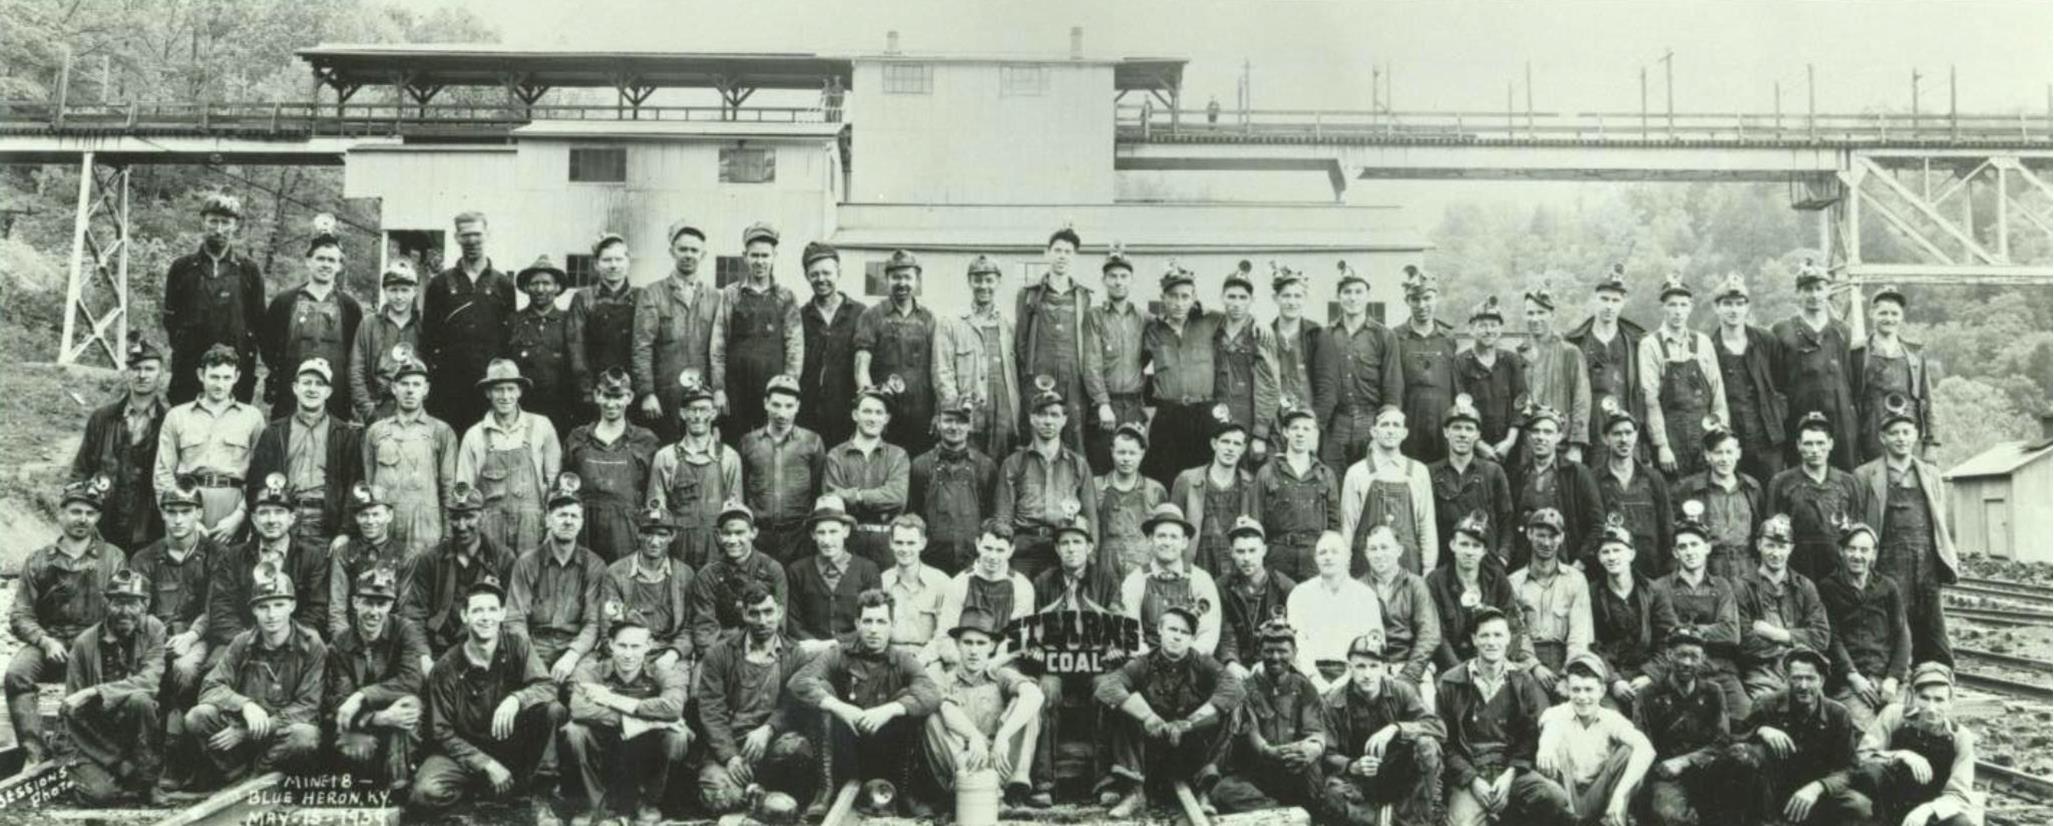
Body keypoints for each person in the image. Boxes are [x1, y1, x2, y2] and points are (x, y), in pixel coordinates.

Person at [409, 575, 564, 814]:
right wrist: (485, 764)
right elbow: (441, 732)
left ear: (502, 614)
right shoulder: (446, 667)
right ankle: (474, 805)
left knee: (553, 710)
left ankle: (540, 798)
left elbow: (547, 686)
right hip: (463, 754)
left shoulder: (517, 645)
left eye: (492, 609)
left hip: (512, 747)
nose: (486, 617)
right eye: (478, 610)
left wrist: (516, 699)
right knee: (425, 793)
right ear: (465, 616)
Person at [789, 589, 945, 818]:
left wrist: (890, 710)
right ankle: (825, 790)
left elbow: (931, 693)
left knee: (909, 697)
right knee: (823, 694)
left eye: (881, 621)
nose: (874, 629)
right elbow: (798, 682)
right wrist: (840, 707)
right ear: (857, 623)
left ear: (892, 625)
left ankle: (904, 790)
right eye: (868, 621)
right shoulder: (839, 653)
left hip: (886, 752)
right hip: (845, 750)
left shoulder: (902, 659)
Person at [10, 478, 129, 764]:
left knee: (106, 691)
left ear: (98, 517)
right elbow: (20, 614)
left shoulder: (112, 557)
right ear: (61, 514)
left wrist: (96, 641)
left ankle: (88, 754)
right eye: (75, 511)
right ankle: (35, 753)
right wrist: (44, 640)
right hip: (52, 641)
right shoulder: (39, 560)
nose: (82, 519)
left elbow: (124, 610)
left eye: (90, 513)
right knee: (16, 675)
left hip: (96, 642)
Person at [1094, 606, 1245, 818]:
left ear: (1192, 638)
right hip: (1150, 751)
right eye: (1173, 629)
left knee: (1231, 709)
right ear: (1160, 630)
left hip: (1190, 749)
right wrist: (1148, 717)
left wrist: (1190, 723)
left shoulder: (1203, 663)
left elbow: (1234, 688)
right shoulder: (1143, 663)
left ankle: (1205, 789)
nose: (1177, 637)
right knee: (1116, 705)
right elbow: (1108, 687)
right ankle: (1134, 792)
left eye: (1185, 633)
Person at [184, 567, 326, 785]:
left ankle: (259, 775)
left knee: (305, 737)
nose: (271, 615)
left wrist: (248, 731)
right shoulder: (242, 642)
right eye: (263, 606)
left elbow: (308, 706)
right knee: (199, 717)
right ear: (253, 610)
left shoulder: (311, 644)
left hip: (281, 733)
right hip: (246, 730)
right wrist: (245, 705)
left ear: (292, 606)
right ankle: (235, 774)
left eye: (279, 605)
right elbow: (210, 686)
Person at [1438, 606, 1574, 826]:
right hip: (1470, 773)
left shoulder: (1522, 680)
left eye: (1498, 635)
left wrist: (1510, 775)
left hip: (1509, 771)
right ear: (1474, 639)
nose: (1491, 642)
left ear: (1508, 639)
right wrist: (1472, 780)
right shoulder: (1451, 682)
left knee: (1553, 797)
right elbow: (1446, 743)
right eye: (1484, 635)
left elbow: (1529, 737)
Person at [692, 582, 819, 815]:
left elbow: (793, 705)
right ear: (744, 614)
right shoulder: (719, 654)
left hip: (773, 745)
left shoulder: (796, 655)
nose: (762, 621)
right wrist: (730, 757)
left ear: (780, 612)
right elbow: (711, 711)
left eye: (769, 612)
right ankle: (760, 799)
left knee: (799, 750)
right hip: (728, 747)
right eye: (754, 613)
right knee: (717, 797)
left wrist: (769, 728)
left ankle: (766, 798)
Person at [1854, 396, 1958, 668]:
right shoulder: (1865, 475)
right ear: (1883, 438)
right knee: (1892, 626)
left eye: (1906, 432)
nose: (1901, 438)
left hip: (1925, 559)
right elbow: (1860, 522)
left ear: (1916, 436)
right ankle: (1892, 685)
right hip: (1888, 559)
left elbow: (1939, 520)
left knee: (1933, 628)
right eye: (1894, 433)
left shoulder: (1930, 473)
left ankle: (1936, 686)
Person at [559, 618, 692, 826]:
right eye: (622, 646)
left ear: (648, 646)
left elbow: (674, 707)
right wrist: (646, 722)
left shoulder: (663, 673)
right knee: (574, 731)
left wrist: (612, 700)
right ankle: (593, 805)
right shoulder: (591, 671)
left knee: (678, 736)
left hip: (644, 749)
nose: (628, 654)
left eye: (636, 646)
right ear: (611, 645)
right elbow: (578, 708)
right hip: (604, 744)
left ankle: (648, 802)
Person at [127, 479, 220, 769]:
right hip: (154, 636)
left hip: (199, 637)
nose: (178, 519)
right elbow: (137, 608)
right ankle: (139, 754)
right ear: (163, 513)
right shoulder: (144, 558)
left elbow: (216, 606)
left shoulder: (216, 555)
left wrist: (191, 636)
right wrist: (157, 640)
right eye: (171, 511)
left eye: (185, 511)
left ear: (199, 514)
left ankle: (181, 754)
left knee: (185, 668)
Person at [919, 607, 1046, 808]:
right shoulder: (943, 676)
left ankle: (1013, 788)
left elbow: (1035, 695)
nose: (974, 650)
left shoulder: (1000, 675)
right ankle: (978, 794)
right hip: (964, 765)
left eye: (981, 643)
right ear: (957, 645)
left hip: (1000, 762)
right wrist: (974, 737)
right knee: (933, 716)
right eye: (967, 643)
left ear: (992, 646)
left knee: (1025, 702)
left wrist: (1003, 736)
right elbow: (945, 709)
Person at [1730, 647, 1872, 826]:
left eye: (1810, 678)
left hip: (1814, 795)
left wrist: (1818, 787)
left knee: (1859, 806)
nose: (1803, 686)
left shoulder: (1838, 714)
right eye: (1797, 678)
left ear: (1821, 680)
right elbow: (1733, 741)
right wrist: (1760, 730)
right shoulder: (1768, 704)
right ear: (1787, 679)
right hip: (1772, 795)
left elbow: (1849, 769)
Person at [60, 569, 166, 804]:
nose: (125, 612)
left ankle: (148, 782)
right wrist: (115, 760)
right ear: (107, 604)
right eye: (118, 603)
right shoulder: (84, 644)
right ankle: (113, 773)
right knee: (100, 795)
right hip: (94, 738)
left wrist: (96, 692)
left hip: (133, 730)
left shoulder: (154, 630)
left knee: (141, 699)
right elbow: (73, 712)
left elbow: (149, 682)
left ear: (145, 605)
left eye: (133, 604)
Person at [1320, 634, 1446, 826]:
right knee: (1333, 792)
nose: (1367, 674)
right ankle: (1392, 820)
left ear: (1385, 668)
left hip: (1399, 775)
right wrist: (1352, 765)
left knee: (1427, 744)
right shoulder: (1333, 702)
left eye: (1373, 666)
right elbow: (1327, 753)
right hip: (1359, 782)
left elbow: (1437, 727)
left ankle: (1399, 817)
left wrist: (1397, 728)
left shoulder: (1401, 691)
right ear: (1349, 669)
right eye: (1360, 666)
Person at [324, 565, 429, 791]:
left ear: (390, 605)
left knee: (410, 705)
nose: (374, 611)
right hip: (362, 723)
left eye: (381, 604)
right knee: (357, 749)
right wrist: (378, 718)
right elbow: (338, 702)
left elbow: (411, 681)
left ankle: (398, 785)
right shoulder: (339, 645)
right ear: (355, 603)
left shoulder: (404, 631)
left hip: (398, 722)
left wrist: (363, 695)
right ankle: (363, 792)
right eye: (367, 603)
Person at [1210, 619, 1326, 817]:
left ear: (1295, 653)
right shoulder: (1246, 688)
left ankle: (1293, 812)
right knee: (1223, 791)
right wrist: (1270, 752)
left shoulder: (1305, 687)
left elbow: (1315, 731)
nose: (1275, 657)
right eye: (1269, 651)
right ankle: (1283, 815)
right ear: (1259, 653)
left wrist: (1312, 748)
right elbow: (1252, 736)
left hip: (1294, 767)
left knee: (1315, 777)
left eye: (1282, 651)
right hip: (1258, 772)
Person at [155, 344, 268, 541]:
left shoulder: (252, 417)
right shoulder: (177, 416)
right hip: (187, 501)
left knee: (229, 567)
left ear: (237, 377)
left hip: (232, 505)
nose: (219, 384)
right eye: (214, 377)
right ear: (201, 375)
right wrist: (178, 515)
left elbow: (259, 475)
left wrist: (239, 517)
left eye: (226, 378)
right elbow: (163, 473)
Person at [246, 358, 363, 546]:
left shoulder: (344, 434)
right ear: (295, 387)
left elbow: (353, 485)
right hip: (283, 518)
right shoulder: (275, 432)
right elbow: (257, 482)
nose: (312, 389)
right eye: (306, 382)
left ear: (328, 392)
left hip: (325, 524)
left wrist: (345, 532)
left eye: (319, 384)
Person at [1848, 662, 1982, 826]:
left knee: (1962, 823)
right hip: (1885, 807)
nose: (1931, 708)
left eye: (1939, 700)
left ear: (1950, 701)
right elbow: (1863, 758)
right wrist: (1901, 755)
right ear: (1912, 696)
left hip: (1926, 815)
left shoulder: (1960, 737)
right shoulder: (1894, 715)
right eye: (1924, 698)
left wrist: (1927, 810)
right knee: (1868, 780)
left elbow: (1959, 795)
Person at [505, 477, 608, 689]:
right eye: (561, 515)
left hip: (577, 649)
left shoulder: (595, 565)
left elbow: (593, 623)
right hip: (535, 646)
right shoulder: (527, 562)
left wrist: (571, 656)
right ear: (548, 520)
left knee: (582, 693)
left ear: (581, 523)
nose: (568, 521)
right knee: (534, 696)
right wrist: (531, 661)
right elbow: (514, 620)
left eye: (573, 516)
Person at [1653, 503, 1752, 719]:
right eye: (1683, 547)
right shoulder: (1661, 587)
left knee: (1744, 718)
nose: (1689, 552)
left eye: (1695, 545)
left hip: (1720, 671)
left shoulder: (1722, 586)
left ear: (1707, 548)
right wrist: (1706, 631)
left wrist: (1686, 631)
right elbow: (1667, 634)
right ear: (1675, 553)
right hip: (1678, 672)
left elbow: (1731, 633)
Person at [1634, 630, 1743, 826]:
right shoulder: (1648, 694)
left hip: (1706, 768)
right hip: (1666, 775)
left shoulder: (1713, 692)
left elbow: (1722, 740)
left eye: (1694, 657)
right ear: (1669, 656)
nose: (1686, 662)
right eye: (1681, 655)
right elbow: (1642, 743)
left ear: (1703, 659)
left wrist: (1686, 761)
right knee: (1669, 816)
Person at [1532, 653, 1656, 826]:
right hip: (1565, 799)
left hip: (1600, 798)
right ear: (1568, 690)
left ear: (1602, 691)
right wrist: (1546, 748)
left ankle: (1614, 819)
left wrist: (1619, 795)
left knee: (1629, 751)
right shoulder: (1556, 713)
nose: (1582, 697)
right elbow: (1550, 731)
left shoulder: (1611, 718)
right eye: (1576, 689)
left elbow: (1646, 748)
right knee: (1555, 748)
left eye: (1589, 689)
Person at [163, 192, 263, 405]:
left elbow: (259, 322)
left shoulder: (249, 270)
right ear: (203, 222)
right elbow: (170, 319)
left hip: (234, 371)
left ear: (235, 225)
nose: (219, 229)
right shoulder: (182, 268)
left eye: (225, 223)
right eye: (213, 221)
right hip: (189, 367)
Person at [72, 338, 170, 550]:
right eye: (136, 368)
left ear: (160, 374)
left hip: (149, 527)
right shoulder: (102, 418)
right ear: (127, 373)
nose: (142, 375)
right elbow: (81, 470)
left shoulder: (170, 422)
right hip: (104, 522)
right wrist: (83, 511)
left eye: (149, 369)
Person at [711, 223, 804, 445]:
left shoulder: (785, 297)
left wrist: (788, 390)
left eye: (765, 255)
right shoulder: (731, 294)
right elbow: (718, 345)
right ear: (745, 256)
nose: (760, 261)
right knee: (734, 443)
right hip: (736, 388)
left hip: (772, 386)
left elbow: (795, 347)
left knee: (771, 444)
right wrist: (718, 389)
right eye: (754, 255)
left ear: (774, 256)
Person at [422, 211, 516, 432]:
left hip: (488, 385)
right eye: (466, 235)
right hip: (448, 386)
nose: (472, 241)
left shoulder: (503, 285)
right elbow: (428, 337)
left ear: (487, 235)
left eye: (477, 234)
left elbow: (509, 339)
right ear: (456, 238)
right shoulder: (440, 284)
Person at [995, 384, 1099, 581]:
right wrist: (1003, 554)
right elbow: (1003, 517)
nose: (1048, 421)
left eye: (1054, 415)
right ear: (1032, 419)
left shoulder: (1078, 465)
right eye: (1042, 414)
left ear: (1064, 420)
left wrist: (1090, 558)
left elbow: (1090, 516)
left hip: (1061, 547)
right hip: (1023, 549)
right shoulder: (1014, 463)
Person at [210, 475, 328, 649]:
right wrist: (247, 642)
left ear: (292, 518)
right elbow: (221, 608)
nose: (272, 520)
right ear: (254, 519)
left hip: (294, 645)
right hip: (242, 643)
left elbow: (317, 610)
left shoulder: (312, 556)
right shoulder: (233, 557)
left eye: (279, 512)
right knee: (213, 671)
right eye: (264, 513)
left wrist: (286, 640)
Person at [1015, 227, 1104, 457]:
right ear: (1047, 253)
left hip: (1074, 378)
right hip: (1039, 376)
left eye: (1068, 251)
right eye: (1057, 250)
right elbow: (1021, 342)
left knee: (1074, 436)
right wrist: (1029, 375)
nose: (1062, 255)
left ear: (1074, 257)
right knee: (1036, 432)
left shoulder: (1084, 296)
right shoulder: (1029, 294)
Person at [458, 358, 561, 557]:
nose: (505, 396)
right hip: (490, 529)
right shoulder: (474, 435)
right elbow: (461, 487)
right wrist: (468, 526)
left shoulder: (541, 426)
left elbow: (554, 482)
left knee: (531, 582)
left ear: (519, 391)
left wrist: (551, 526)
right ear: (488, 393)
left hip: (532, 528)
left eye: (511, 389)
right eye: (498, 389)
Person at [1140, 262, 1230, 484]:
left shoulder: (1212, 322)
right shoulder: (1153, 330)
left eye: (1184, 296)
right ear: (1163, 297)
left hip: (1203, 413)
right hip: (1168, 414)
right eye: (1173, 296)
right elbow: (1135, 367)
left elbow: (1241, 321)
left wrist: (1259, 324)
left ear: (1194, 297)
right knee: (1164, 477)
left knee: (1203, 478)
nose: (1179, 303)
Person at [633, 221, 722, 444]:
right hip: (665, 395)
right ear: (672, 251)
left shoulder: (714, 297)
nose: (688, 255)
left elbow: (720, 350)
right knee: (666, 452)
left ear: (703, 254)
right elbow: (641, 347)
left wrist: (719, 389)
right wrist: (647, 393)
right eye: (683, 249)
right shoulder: (653, 293)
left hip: (703, 394)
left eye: (694, 250)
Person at [363, 355, 460, 557]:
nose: (409, 390)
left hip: (425, 528)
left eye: (416, 384)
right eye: (404, 384)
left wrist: (448, 534)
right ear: (393, 388)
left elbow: (448, 486)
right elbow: (368, 483)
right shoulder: (376, 432)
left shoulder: (441, 431)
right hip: (385, 528)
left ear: (426, 390)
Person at [1818, 520, 1909, 732]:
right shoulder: (1827, 588)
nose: (1857, 556)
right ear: (1841, 551)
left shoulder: (1888, 587)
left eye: (1864, 550)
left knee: (1902, 729)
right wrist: (1853, 677)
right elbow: (1833, 638)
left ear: (1873, 555)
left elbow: (1903, 634)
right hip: (1849, 682)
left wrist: (1893, 678)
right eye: (1851, 549)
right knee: (1868, 733)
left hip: (1887, 679)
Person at [406, 482, 516, 659]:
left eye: (469, 516)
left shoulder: (502, 559)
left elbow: (512, 616)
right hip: (438, 651)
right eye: (455, 517)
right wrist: (423, 656)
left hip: (485, 650)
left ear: (484, 516)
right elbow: (413, 614)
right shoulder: (431, 560)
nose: (461, 525)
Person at [260, 230, 362, 419]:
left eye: (331, 260)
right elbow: (267, 346)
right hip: (290, 394)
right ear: (309, 261)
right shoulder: (284, 302)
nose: (325, 264)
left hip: (335, 396)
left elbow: (356, 354)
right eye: (320, 258)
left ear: (339, 266)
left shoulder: (350, 307)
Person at [564, 368, 661, 563]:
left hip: (626, 535)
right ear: (596, 396)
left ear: (630, 397)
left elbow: (654, 495)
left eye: (618, 397)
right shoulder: (578, 438)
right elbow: (564, 488)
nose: (611, 404)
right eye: (605, 396)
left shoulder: (645, 441)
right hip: (584, 532)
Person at [1638, 274, 1729, 482]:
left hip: (1705, 433)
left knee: (1706, 491)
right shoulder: (1651, 345)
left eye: (1682, 305)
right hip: (1672, 436)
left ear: (1690, 307)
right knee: (1675, 495)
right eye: (1672, 305)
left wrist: (1721, 439)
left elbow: (1718, 394)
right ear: (1663, 308)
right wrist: (1662, 445)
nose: (1678, 311)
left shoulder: (1703, 342)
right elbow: (1650, 401)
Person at [1771, 260, 1859, 471]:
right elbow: (1776, 383)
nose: (1814, 295)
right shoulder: (1782, 331)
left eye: (1819, 288)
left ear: (1828, 290)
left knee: (1843, 472)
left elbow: (1850, 378)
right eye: (1808, 289)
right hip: (1798, 414)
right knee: (1800, 472)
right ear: (1798, 293)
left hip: (1839, 416)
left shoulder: (1842, 331)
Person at [1734, 514, 1832, 700]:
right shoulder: (1743, 587)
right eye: (1770, 545)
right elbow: (1745, 642)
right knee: (1769, 712)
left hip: (1803, 670)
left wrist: (1774, 633)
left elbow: (1821, 637)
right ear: (1758, 545)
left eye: (1782, 547)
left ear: (1791, 549)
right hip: (1762, 673)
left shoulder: (1805, 586)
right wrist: (1796, 640)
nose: (1776, 553)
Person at [650, 374, 743, 568]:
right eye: (692, 410)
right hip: (678, 545)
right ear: (683, 413)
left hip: (716, 546)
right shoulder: (666, 457)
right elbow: (656, 512)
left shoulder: (728, 457)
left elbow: (735, 511)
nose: (698, 416)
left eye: (704, 410)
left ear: (713, 413)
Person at [1319, 261, 1404, 470]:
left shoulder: (1384, 335)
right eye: (1347, 292)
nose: (1353, 297)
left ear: (1367, 295)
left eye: (1359, 291)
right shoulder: (1326, 335)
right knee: (1333, 484)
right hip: (1337, 422)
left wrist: (1387, 426)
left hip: (1371, 420)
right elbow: (1320, 382)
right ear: (1339, 297)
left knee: (1372, 483)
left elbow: (1392, 385)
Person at [1589, 518, 1678, 715]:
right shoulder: (1592, 594)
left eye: (1617, 550)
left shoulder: (1654, 591)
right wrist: (1613, 681)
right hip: (1610, 677)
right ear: (1599, 558)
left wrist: (1651, 675)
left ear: (1631, 554)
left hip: (1649, 675)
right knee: (1609, 720)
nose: (1611, 557)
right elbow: (1592, 645)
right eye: (1605, 552)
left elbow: (1670, 640)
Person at [854, 250, 939, 455]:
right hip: (886, 413)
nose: (902, 283)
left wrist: (939, 411)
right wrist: (869, 402)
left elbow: (938, 367)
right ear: (887, 279)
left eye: (907, 277)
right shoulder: (872, 315)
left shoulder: (928, 318)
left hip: (921, 413)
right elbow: (861, 362)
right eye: (896, 277)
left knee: (919, 467)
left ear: (917, 280)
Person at [935, 256, 1020, 459]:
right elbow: (942, 371)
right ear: (969, 282)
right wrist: (954, 414)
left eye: (989, 280)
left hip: (1004, 414)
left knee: (1001, 472)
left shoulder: (1009, 324)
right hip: (969, 413)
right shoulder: (951, 323)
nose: (984, 286)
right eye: (978, 280)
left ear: (998, 282)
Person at [1428, 511, 1534, 674]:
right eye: (1464, 544)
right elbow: (1437, 635)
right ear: (1452, 545)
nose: (1469, 552)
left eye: (1476, 546)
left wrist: (1496, 665)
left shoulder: (1497, 578)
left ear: (1484, 551)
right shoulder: (1436, 581)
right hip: (1451, 667)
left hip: (1495, 664)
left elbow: (1512, 626)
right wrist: (1461, 672)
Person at [1768, 412, 1868, 582]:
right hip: (1796, 570)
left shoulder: (1848, 482)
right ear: (1799, 445)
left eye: (1820, 443)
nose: (1814, 450)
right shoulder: (1782, 482)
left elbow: (1857, 529)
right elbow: (1772, 532)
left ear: (1830, 444)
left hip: (1838, 572)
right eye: (1808, 444)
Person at [597, 504, 698, 672]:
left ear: (672, 537)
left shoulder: (684, 575)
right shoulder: (616, 573)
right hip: (627, 653)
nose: (654, 541)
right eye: (648, 533)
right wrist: (628, 658)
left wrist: (673, 654)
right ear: (638, 534)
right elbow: (609, 625)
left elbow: (689, 627)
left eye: (662, 535)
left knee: (676, 694)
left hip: (667, 654)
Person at [1708, 273, 1788, 485]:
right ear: (1717, 308)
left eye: (1739, 303)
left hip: (1767, 437)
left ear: (1747, 307)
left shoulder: (1766, 341)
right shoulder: (1709, 348)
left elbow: (1781, 383)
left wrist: (1778, 417)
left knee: (1772, 491)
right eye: (1727, 304)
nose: (1734, 310)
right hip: (1730, 438)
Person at [739, 374, 828, 566]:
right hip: (759, 536)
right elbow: (742, 490)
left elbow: (819, 489)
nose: (782, 413)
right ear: (766, 403)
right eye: (776, 405)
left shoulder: (812, 442)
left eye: (789, 406)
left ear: (797, 406)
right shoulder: (749, 442)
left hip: (798, 536)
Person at [1564, 265, 1649, 464]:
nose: (1609, 306)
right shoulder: (1575, 342)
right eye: (1604, 299)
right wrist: (1574, 440)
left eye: (1615, 300)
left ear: (1623, 303)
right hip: (1589, 427)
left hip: (1626, 426)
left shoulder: (1636, 342)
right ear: (1595, 299)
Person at [1340, 405, 1438, 575]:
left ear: (1404, 433)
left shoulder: (1418, 471)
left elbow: (1426, 524)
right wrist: (1344, 569)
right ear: (1373, 431)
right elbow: (1347, 526)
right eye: (1385, 425)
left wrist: (1428, 568)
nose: (1391, 431)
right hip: (1365, 565)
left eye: (1396, 425)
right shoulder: (1357, 472)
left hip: (1407, 564)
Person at [908, 402, 1001, 578]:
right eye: (948, 420)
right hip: (930, 560)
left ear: (970, 425)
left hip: (973, 560)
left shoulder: (985, 466)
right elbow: (913, 513)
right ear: (937, 423)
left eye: (961, 421)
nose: (954, 427)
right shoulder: (921, 465)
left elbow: (991, 516)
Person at [1512, 402, 1607, 572]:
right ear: (1528, 437)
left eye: (1548, 432)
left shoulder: (1577, 473)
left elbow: (1598, 525)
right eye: (1536, 431)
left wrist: (1580, 563)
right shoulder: (1518, 475)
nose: (1540, 437)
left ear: (1559, 437)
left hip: (1566, 564)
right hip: (1526, 566)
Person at [930, 518, 1037, 667]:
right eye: (988, 548)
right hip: (961, 662)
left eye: (1000, 550)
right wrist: (964, 665)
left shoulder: (1022, 586)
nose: (993, 557)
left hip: (1002, 664)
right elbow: (945, 636)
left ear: (1011, 550)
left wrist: (991, 665)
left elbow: (1018, 639)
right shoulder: (960, 583)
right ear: (978, 544)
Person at [1286, 531, 1383, 694]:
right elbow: (1297, 641)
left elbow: (1373, 643)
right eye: (1322, 552)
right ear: (1316, 559)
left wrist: (1348, 679)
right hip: (1308, 676)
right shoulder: (1300, 594)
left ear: (1348, 557)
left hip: (1354, 676)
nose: (1328, 557)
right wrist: (1313, 678)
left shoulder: (1365, 596)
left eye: (1334, 552)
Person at [687, 501, 791, 653]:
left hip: (763, 649)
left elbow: (779, 625)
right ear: (718, 535)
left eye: (740, 533)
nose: (733, 540)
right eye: (727, 534)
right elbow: (705, 629)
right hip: (721, 651)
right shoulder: (708, 575)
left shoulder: (772, 569)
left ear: (753, 533)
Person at [824, 387, 911, 569]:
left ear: (886, 419)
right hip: (848, 542)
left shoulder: (897, 455)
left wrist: (855, 496)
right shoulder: (836, 455)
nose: (872, 418)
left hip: (886, 542)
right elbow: (832, 501)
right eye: (867, 411)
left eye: (879, 413)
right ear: (855, 415)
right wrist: (877, 496)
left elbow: (897, 497)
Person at [1121, 504, 1224, 656]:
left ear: (1184, 542)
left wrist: (1186, 660)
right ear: (1150, 540)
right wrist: (1151, 663)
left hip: (1191, 665)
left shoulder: (1201, 579)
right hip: (1147, 664)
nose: (1167, 542)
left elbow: (1208, 634)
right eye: (1161, 536)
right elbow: (1132, 637)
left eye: (1174, 537)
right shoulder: (1135, 580)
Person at [1852, 285, 1938, 464]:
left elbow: (1927, 399)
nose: (1889, 318)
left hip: (1907, 434)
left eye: (1894, 314)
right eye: (1883, 313)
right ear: (1872, 314)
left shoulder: (1914, 355)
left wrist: (1932, 442)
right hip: (1869, 434)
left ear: (1901, 317)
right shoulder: (1857, 353)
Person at [1255, 400, 1339, 584]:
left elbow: (1334, 525)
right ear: (1286, 432)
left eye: (1306, 429)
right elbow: (1257, 519)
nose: (1300, 433)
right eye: (1295, 428)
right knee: (1277, 607)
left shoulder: (1325, 474)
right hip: (1278, 554)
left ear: (1314, 433)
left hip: (1314, 555)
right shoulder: (1268, 472)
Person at [506, 256, 588, 441]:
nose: (540, 289)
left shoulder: (570, 321)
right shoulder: (514, 322)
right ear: (526, 288)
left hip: (561, 410)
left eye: (546, 283)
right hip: (522, 408)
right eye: (535, 284)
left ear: (557, 288)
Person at [1430, 395, 1516, 570]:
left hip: (1486, 565)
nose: (1462, 434)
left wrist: (1503, 557)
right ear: (1446, 432)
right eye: (1457, 428)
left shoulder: (1493, 472)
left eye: (1469, 429)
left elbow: (1507, 520)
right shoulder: (1430, 473)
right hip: (1444, 566)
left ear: (1477, 435)